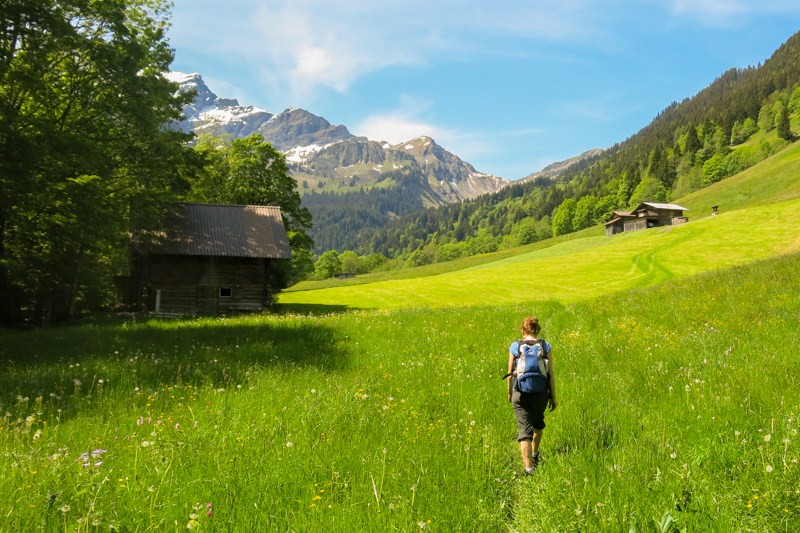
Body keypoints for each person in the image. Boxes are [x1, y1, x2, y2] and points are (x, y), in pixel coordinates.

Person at [506, 316, 557, 475]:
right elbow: (550, 375)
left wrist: (509, 393)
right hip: (541, 392)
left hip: (520, 393)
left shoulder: (515, 346)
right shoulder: (545, 346)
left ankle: (529, 470)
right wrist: (553, 397)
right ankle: (534, 454)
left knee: (524, 431)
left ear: (523, 330)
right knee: (538, 425)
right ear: (538, 330)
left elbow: (509, 375)